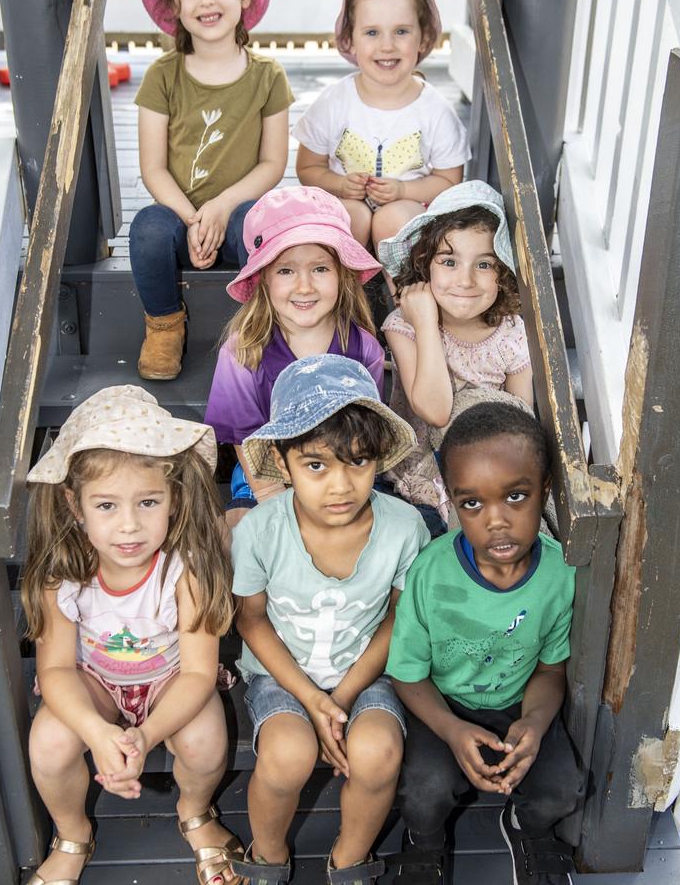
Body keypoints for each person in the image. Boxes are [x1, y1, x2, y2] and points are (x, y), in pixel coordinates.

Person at [22, 385, 241, 885]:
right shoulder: (64, 570)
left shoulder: (185, 570)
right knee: (51, 743)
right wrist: (98, 732)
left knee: (206, 739)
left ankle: (196, 813)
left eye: (147, 502)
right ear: (74, 505)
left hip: (172, 680)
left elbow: (199, 672)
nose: (129, 527)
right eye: (106, 506)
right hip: (93, 682)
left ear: (173, 498)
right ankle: (72, 834)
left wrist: (143, 736)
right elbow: (55, 669)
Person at [229, 355, 430, 885]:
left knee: (378, 751)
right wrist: (313, 700)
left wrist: (338, 700)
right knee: (288, 754)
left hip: (367, 673)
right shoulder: (259, 531)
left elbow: (397, 620)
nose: (340, 485)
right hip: (281, 675)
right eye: (317, 465)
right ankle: (268, 856)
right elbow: (250, 621)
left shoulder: (405, 528)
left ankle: (349, 858)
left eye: (358, 462)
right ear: (283, 461)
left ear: (380, 459)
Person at [386, 401, 583, 885]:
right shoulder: (431, 573)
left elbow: (550, 670)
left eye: (516, 497)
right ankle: (425, 842)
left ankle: (527, 826)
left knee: (564, 789)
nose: (495, 520)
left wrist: (535, 723)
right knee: (422, 791)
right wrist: (452, 731)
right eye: (472, 503)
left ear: (545, 492)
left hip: (517, 703)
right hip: (442, 705)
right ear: (453, 503)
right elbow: (407, 675)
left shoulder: (560, 573)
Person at [130, 0, 294, 380]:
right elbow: (154, 169)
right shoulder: (163, 75)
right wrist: (192, 219)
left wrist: (222, 207)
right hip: (183, 223)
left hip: (238, 219)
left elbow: (273, 162)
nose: (207, 0)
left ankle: (261, 326)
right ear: (175, 4)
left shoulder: (267, 77)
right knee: (146, 230)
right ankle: (165, 325)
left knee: (260, 225)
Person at [204, 186, 384, 528]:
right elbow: (245, 437)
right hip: (264, 481)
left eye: (320, 269)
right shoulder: (244, 350)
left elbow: (368, 433)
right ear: (264, 280)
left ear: (342, 276)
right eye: (286, 271)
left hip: (342, 478)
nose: (304, 287)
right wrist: (275, 502)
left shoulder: (364, 349)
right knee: (237, 535)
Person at [378, 180, 533, 525]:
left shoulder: (511, 333)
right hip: (426, 477)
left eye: (484, 265)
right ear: (424, 266)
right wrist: (426, 324)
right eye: (449, 261)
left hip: (492, 472)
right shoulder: (404, 327)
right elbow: (435, 411)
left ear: (503, 274)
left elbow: (523, 422)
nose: (465, 280)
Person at [294, 0, 470, 255]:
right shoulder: (334, 102)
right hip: (346, 204)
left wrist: (403, 191)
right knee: (351, 215)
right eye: (372, 32)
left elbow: (449, 181)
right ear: (350, 40)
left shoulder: (435, 110)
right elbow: (308, 167)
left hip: (412, 212)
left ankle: (404, 295)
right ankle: (341, 295)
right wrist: (339, 184)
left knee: (393, 217)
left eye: (401, 31)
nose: (387, 46)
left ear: (423, 38)